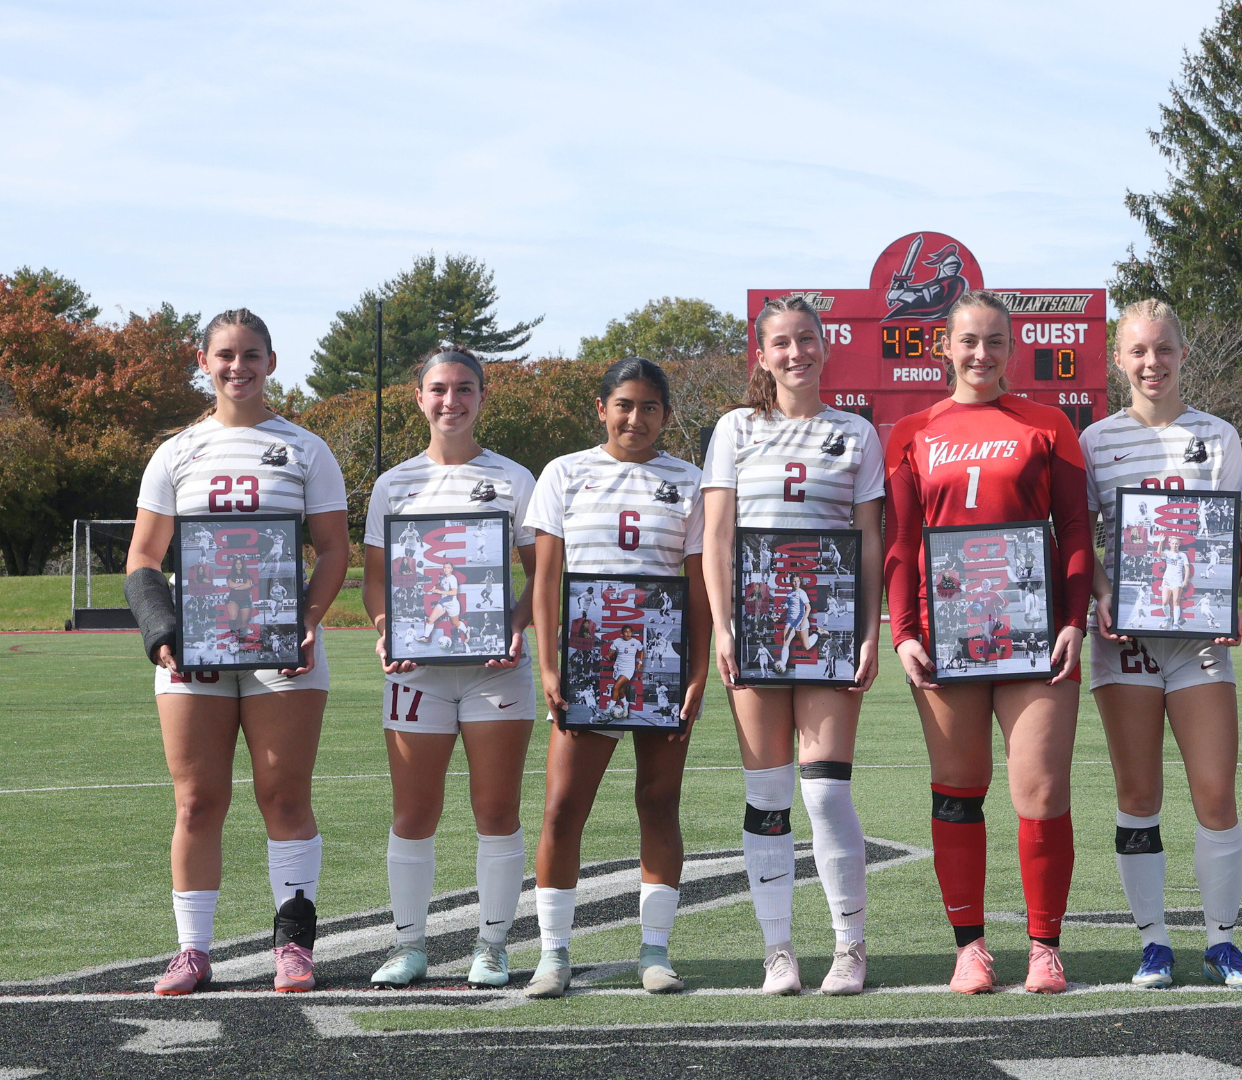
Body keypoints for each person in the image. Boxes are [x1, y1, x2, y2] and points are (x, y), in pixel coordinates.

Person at [123, 309, 349, 994]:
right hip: (199, 650)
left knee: (283, 796)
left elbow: (335, 548)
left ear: (271, 362)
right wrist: (163, 631)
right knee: (197, 801)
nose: (237, 367)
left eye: (251, 354)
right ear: (203, 360)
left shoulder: (306, 449)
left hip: (282, 647)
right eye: (225, 354)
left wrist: (309, 619)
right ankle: (192, 950)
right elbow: (142, 556)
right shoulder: (175, 452)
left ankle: (293, 942)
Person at [885, 290, 1095, 994]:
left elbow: (1073, 529)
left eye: (996, 341)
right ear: (944, 347)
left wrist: (1072, 619)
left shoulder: (1047, 424)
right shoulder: (912, 430)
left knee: (1039, 788)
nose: (982, 354)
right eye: (969, 341)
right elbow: (902, 541)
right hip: (948, 634)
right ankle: (970, 946)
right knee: (958, 790)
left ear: (1012, 348)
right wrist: (903, 632)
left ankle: (1044, 946)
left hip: (1034, 633)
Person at [701, 295, 885, 996]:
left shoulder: (856, 433)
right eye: (781, 343)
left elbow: (869, 539)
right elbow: (718, 537)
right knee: (768, 794)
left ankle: (849, 945)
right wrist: (724, 624)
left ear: (825, 345)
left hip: (830, 624)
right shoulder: (736, 428)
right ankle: (778, 951)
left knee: (827, 793)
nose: (796, 353)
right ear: (762, 354)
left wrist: (869, 630)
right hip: (756, 620)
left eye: (806, 340)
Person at [1080, 300, 1242, 990]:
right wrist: (1102, 593)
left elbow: (1230, 536)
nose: (1152, 363)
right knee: (1138, 792)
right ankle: (1153, 941)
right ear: (1118, 359)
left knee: (1215, 792)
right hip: (1125, 638)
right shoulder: (1097, 440)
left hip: (1195, 639)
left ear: (1183, 354)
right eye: (1138, 351)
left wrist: (1229, 603)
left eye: (1164, 350)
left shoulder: (1218, 435)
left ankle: (1221, 941)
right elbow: (1084, 539)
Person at [524, 357, 712, 998]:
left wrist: (696, 671)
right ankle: (553, 953)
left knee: (659, 802)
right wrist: (550, 663)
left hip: (658, 653)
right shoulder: (565, 473)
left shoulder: (689, 482)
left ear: (667, 414)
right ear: (602, 408)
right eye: (624, 405)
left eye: (651, 407)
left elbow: (698, 589)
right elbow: (547, 579)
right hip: (588, 655)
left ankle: (655, 951)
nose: (636, 418)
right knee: (561, 808)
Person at [359, 349, 540, 989]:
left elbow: (542, 575)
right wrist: (387, 633)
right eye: (439, 389)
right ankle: (410, 947)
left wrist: (516, 624)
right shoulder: (393, 484)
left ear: (482, 397)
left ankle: (492, 947)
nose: (451, 401)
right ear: (419, 397)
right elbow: (375, 586)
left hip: (495, 669)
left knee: (495, 809)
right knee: (414, 812)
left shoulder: (517, 480)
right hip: (417, 670)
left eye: (464, 389)